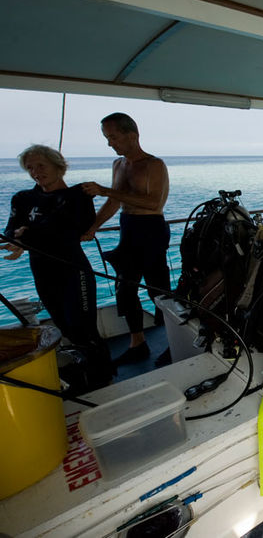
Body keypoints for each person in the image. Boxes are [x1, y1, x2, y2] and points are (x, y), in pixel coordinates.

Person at [2, 145, 113, 389]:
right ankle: (87, 367)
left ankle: (103, 375)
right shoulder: (22, 198)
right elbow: (11, 229)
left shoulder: (78, 195)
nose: (35, 172)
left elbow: (72, 229)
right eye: (30, 167)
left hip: (73, 269)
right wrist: (16, 239)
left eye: (41, 165)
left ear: (58, 165)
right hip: (42, 270)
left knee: (82, 324)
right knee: (63, 324)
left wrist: (27, 236)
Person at [82, 113, 171, 366]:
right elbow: (115, 200)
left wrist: (105, 190)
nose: (110, 143)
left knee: (159, 291)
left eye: (113, 137)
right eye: (106, 138)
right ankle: (137, 343)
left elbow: (154, 202)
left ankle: (171, 342)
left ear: (132, 135)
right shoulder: (118, 165)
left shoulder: (154, 165)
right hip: (128, 228)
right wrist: (93, 227)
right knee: (125, 288)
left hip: (151, 228)